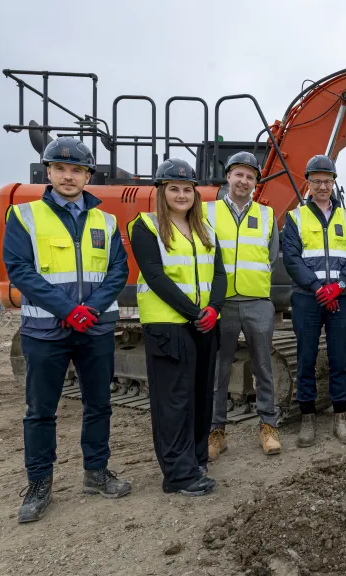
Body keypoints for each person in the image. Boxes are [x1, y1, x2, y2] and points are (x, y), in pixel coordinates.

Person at [5, 137, 131, 523]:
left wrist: (89, 310)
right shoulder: (24, 216)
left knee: (99, 405)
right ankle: (39, 482)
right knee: (40, 411)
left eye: (77, 170)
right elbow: (20, 269)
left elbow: (117, 272)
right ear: (48, 172)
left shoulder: (105, 220)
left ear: (88, 175)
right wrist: (66, 309)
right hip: (45, 332)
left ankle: (95, 472)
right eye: (60, 169)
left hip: (94, 330)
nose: (68, 176)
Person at [129, 158, 226, 496]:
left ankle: (197, 458)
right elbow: (154, 275)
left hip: (202, 323)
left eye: (187, 189)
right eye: (174, 188)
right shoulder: (147, 226)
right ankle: (178, 474)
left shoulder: (205, 229)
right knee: (174, 400)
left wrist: (213, 308)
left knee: (200, 395)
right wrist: (194, 312)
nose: (182, 194)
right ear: (162, 191)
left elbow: (219, 274)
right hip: (168, 324)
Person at [204, 152, 281, 460]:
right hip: (220, 303)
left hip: (257, 303)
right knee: (218, 370)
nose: (244, 180)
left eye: (250, 176)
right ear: (229, 177)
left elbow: (271, 258)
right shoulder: (207, 212)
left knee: (263, 367)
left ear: (255, 183)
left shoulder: (266, 215)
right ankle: (216, 431)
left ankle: (268, 426)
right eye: (239, 174)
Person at [282, 154, 346, 447]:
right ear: (309, 183)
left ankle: (340, 417)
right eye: (317, 181)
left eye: (327, 181)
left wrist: (339, 286)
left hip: (341, 298)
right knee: (306, 358)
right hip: (307, 299)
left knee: (340, 358)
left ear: (334, 183)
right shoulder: (295, 217)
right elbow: (291, 258)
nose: (323, 186)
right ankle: (307, 419)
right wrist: (318, 287)